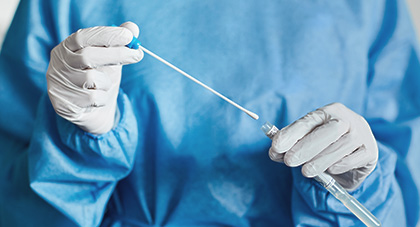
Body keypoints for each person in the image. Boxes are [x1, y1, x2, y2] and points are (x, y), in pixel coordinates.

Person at [0, 0, 419, 226]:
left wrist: (356, 182)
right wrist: (79, 140)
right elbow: (16, 211)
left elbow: (402, 203)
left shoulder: (370, 7)